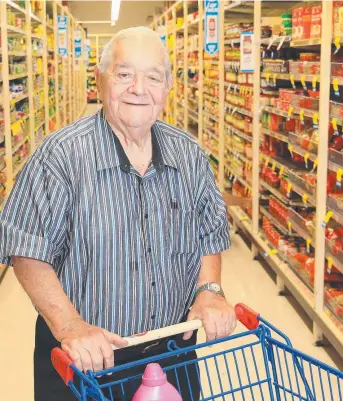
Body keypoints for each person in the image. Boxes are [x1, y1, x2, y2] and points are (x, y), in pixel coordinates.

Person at [0, 27, 236, 401]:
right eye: (125, 74)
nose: (139, 88)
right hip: (86, 359)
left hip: (172, 355)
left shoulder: (189, 155)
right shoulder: (61, 156)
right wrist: (71, 326)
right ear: (100, 79)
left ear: (168, 86)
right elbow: (27, 250)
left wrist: (209, 291)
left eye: (153, 77)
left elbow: (208, 233)